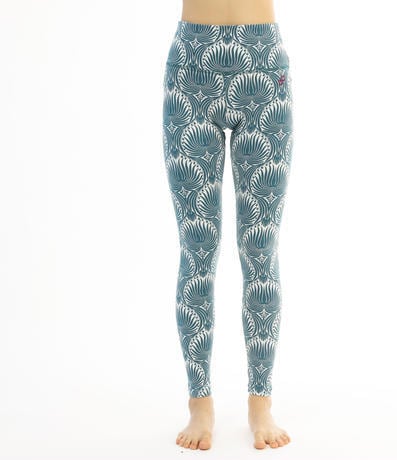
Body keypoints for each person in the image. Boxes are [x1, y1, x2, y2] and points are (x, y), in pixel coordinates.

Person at [162, 0, 294, 450]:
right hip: (190, 67)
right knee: (196, 249)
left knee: (260, 250)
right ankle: (199, 403)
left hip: (263, 64)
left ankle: (261, 403)